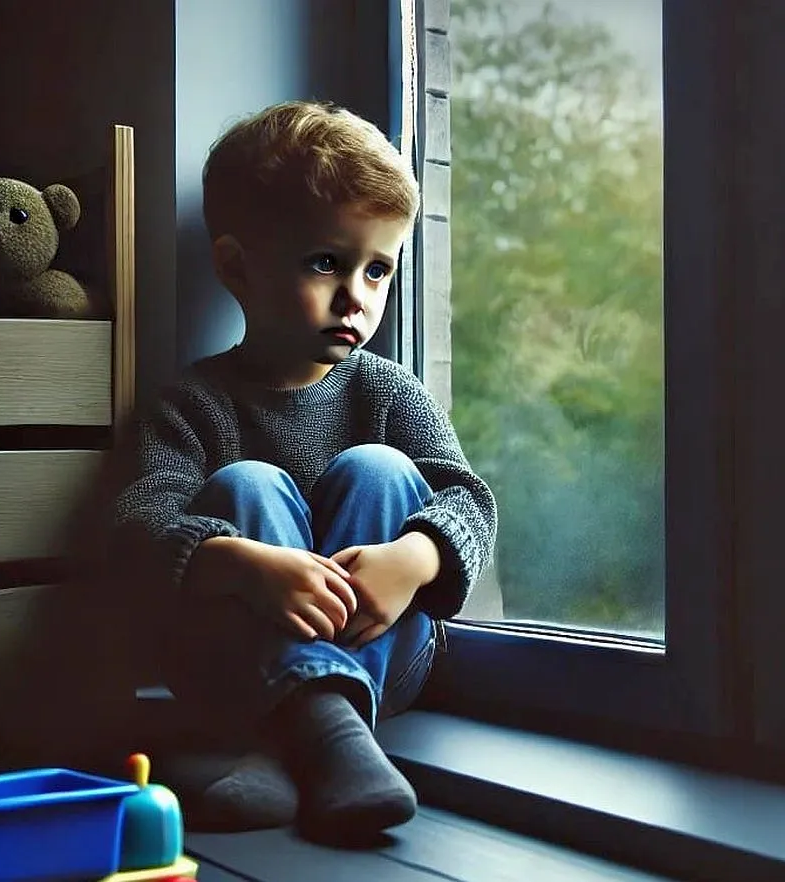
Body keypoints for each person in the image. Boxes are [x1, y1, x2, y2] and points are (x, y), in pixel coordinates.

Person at [111, 100, 497, 846]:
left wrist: (412, 559)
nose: (357, 296)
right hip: (233, 661)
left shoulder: (386, 392)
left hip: (381, 653)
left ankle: (293, 738)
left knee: (380, 468)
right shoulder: (190, 403)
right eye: (327, 262)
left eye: (378, 269)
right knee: (248, 485)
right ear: (235, 266)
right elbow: (136, 524)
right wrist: (241, 564)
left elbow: (468, 501)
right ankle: (328, 741)